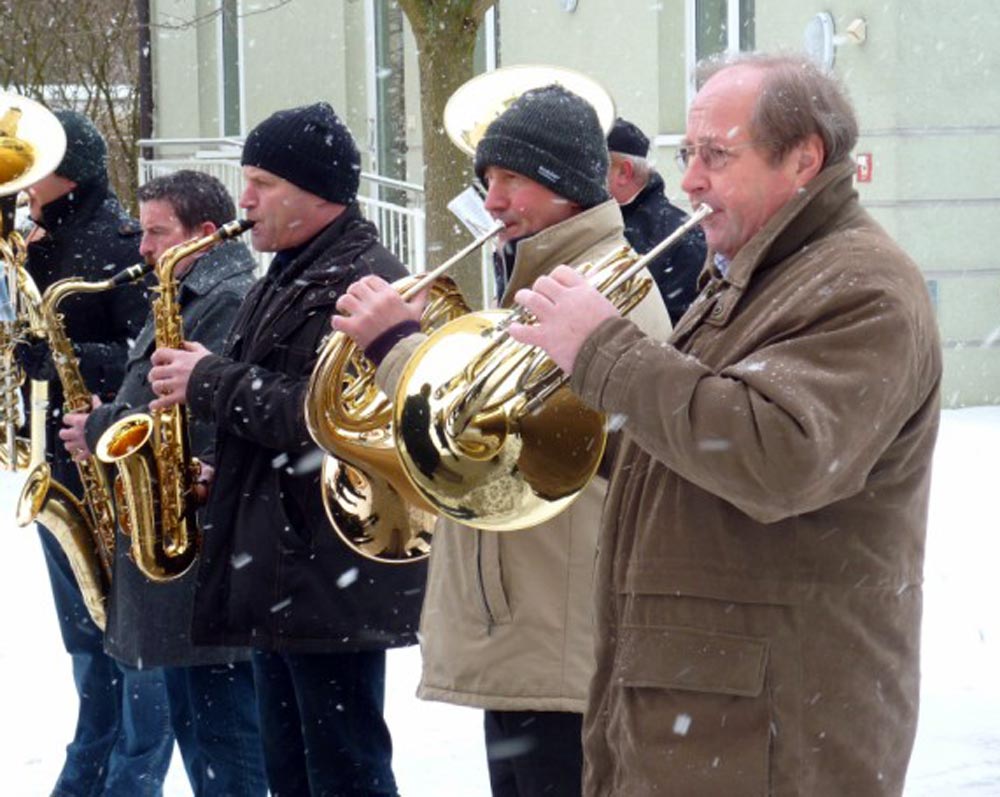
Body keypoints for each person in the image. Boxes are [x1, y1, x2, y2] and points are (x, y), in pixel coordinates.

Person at [508, 53, 942, 796]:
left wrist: (605, 349)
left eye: (715, 155)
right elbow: (694, 447)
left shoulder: (861, 287)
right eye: (688, 154)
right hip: (703, 716)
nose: (691, 181)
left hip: (767, 734)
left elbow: (775, 454)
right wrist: (551, 425)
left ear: (803, 158)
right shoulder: (752, 274)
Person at [332, 84, 672, 797]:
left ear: (567, 187)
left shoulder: (597, 287)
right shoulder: (542, 277)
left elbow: (481, 428)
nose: (491, 201)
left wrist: (398, 346)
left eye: (512, 179)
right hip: (530, 626)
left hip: (560, 632)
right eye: (488, 180)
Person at [145, 102, 425, 796]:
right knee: (293, 770)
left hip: (327, 574)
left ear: (317, 191)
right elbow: (283, 399)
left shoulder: (362, 280)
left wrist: (209, 379)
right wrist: (220, 469)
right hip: (287, 572)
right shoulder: (292, 268)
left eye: (263, 181)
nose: (245, 199)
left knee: (344, 771)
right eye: (246, 178)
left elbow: (328, 417)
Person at [58, 169, 267, 795]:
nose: (143, 249)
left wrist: (101, 425)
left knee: (225, 747)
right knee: (208, 740)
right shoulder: (188, 291)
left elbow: (187, 423)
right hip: (179, 559)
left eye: (156, 233)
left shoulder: (222, 299)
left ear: (204, 235)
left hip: (193, 551)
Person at [18, 110, 171, 795]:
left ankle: (129, 775)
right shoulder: (37, 243)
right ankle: (92, 766)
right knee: (87, 648)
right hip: (58, 468)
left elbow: (148, 353)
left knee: (131, 647)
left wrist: (60, 356)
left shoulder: (118, 242)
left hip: (112, 465)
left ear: (65, 170)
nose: (23, 183)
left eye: (32, 168)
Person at [606, 116, 707, 325]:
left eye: (593, 166)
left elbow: (678, 334)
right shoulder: (589, 221)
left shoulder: (682, 238)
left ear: (624, 172)